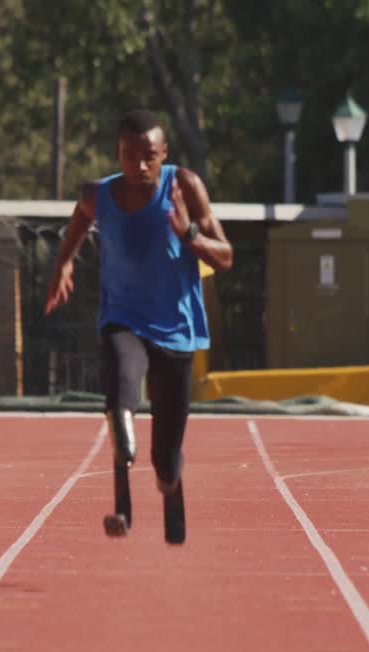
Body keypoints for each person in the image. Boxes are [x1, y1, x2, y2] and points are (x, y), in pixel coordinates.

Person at [45, 109, 233, 545]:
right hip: (123, 316)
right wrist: (64, 262)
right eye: (130, 156)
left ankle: (168, 480)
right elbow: (78, 219)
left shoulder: (183, 186)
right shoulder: (100, 194)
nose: (140, 166)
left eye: (149, 156)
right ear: (119, 154)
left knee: (166, 459)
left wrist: (189, 235)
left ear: (164, 153)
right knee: (120, 372)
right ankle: (121, 436)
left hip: (177, 330)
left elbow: (225, 257)